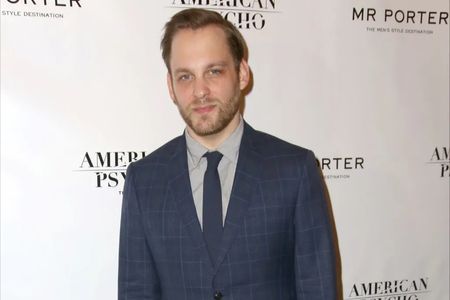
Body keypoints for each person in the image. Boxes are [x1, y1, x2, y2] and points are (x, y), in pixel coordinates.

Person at [118, 8, 337, 300]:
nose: (200, 91)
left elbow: (318, 289)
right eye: (185, 76)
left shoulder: (294, 170)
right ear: (170, 86)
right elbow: (136, 292)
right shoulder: (143, 180)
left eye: (214, 71)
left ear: (242, 73)